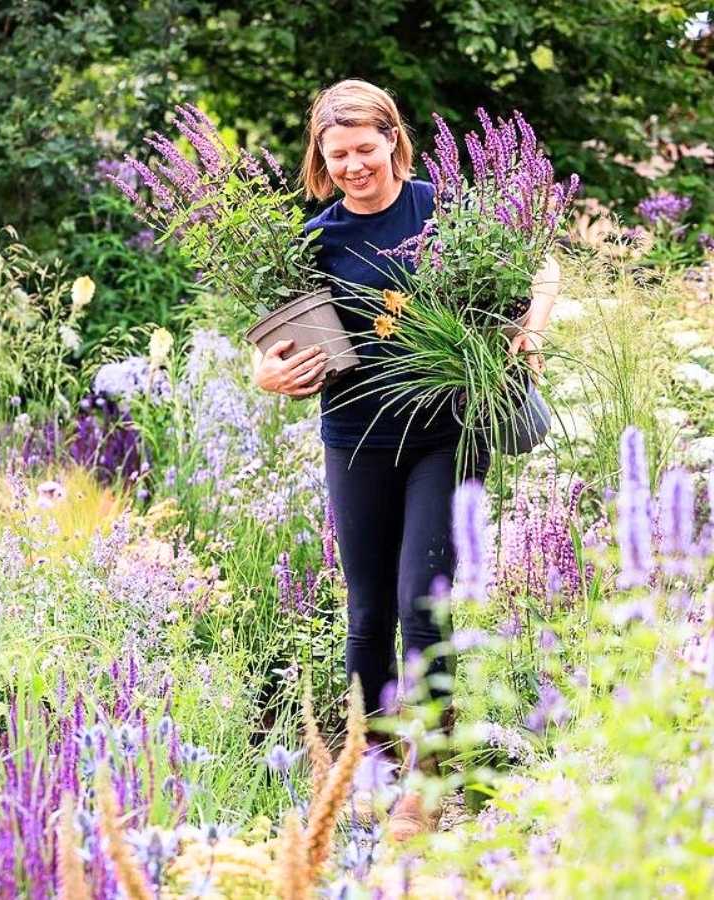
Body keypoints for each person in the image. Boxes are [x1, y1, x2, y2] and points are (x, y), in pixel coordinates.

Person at [252, 79, 559, 840]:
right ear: (320, 158)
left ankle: (426, 781)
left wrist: (533, 329)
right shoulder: (314, 240)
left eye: (366, 148)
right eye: (338, 153)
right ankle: (373, 763)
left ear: (393, 139)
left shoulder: (442, 210)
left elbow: (542, 264)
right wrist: (264, 373)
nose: (355, 165)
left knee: (425, 606)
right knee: (367, 615)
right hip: (354, 434)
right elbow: (278, 347)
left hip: (449, 433)